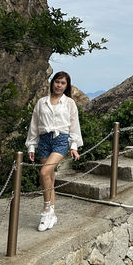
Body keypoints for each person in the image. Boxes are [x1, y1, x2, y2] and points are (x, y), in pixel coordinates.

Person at [25, 71, 83, 232]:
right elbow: (34, 125)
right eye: (57, 82)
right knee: (49, 177)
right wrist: (31, 146)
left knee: (44, 173)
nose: (59, 85)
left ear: (67, 86)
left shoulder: (69, 103)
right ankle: (53, 214)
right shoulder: (41, 102)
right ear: (52, 83)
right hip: (44, 140)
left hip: (61, 140)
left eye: (63, 83)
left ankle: (45, 210)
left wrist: (74, 146)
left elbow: (74, 125)